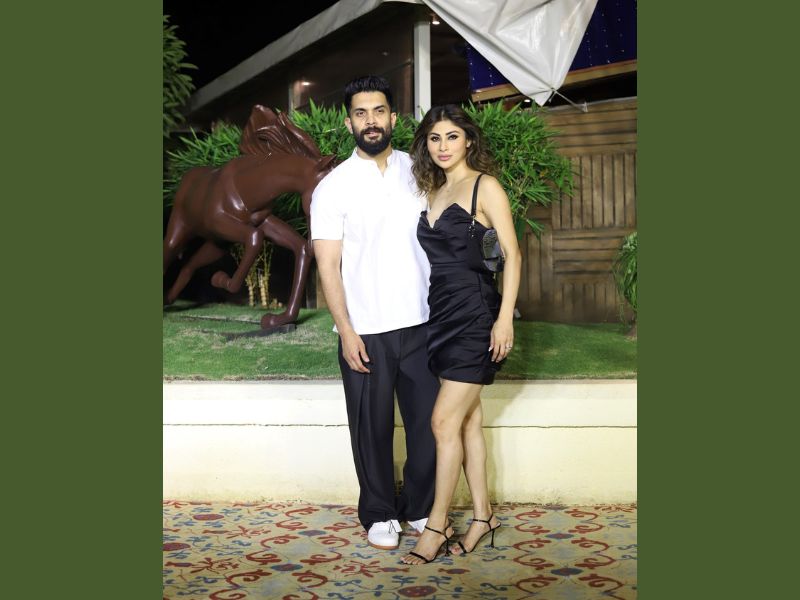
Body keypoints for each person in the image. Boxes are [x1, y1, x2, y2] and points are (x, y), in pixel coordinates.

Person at [310, 76, 442, 551]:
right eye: (361, 113)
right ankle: (380, 512)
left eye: (379, 111)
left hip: (423, 321)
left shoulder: (420, 171)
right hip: (365, 329)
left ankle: (420, 506)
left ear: (393, 117)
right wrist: (346, 330)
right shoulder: (332, 188)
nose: (371, 121)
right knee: (371, 427)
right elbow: (328, 265)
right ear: (348, 122)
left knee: (429, 425)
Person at [401, 105, 522, 565]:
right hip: (441, 316)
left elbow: (512, 255)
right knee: (468, 421)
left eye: (452, 136)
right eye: (435, 138)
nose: (443, 146)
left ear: (468, 140)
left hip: (476, 315)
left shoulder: (484, 187)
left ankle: (436, 525)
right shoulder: (434, 188)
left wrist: (504, 318)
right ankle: (483, 517)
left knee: (442, 423)